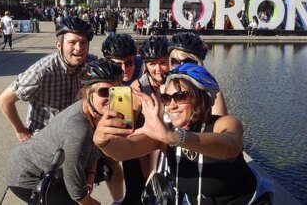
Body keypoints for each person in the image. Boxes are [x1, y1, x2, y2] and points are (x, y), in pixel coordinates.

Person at [93, 63, 274, 205]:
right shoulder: (165, 133)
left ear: (201, 97)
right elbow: (124, 151)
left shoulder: (223, 123)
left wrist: (174, 137)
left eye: (179, 97)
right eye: (166, 98)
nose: (171, 105)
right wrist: (102, 141)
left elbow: (230, 147)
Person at [6, 59, 124, 205]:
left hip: (56, 169)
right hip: (28, 176)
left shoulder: (96, 113)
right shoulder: (78, 127)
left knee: (108, 167)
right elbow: (71, 173)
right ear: (88, 93)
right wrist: (87, 201)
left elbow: (95, 148)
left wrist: (91, 174)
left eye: (116, 91)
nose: (111, 98)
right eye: (104, 91)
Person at [0, 16, 96, 141]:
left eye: (83, 42)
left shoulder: (92, 64)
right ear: (59, 45)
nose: (79, 48)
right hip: (45, 136)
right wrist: (20, 130)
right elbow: (4, 100)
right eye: (72, 42)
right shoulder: (42, 70)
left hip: (76, 133)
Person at [118, 35, 171, 204]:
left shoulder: (176, 83)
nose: (158, 69)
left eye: (163, 62)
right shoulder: (136, 88)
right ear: (145, 63)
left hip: (169, 145)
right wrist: (143, 161)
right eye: (152, 63)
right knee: (137, 193)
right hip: (140, 148)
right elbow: (127, 130)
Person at [168, 32, 227, 116]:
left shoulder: (213, 93)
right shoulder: (164, 90)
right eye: (176, 62)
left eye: (188, 62)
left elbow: (223, 125)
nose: (182, 67)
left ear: (198, 63)